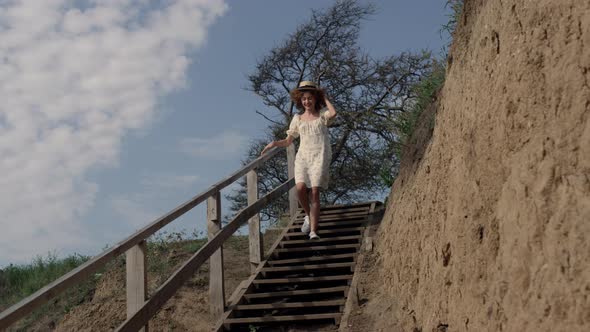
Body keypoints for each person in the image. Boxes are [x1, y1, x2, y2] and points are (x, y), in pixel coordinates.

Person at [261, 81, 337, 240]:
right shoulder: (298, 118)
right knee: (300, 189)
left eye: (310, 98)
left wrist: (325, 97)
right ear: (300, 101)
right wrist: (274, 143)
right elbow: (289, 141)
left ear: (315, 98)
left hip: (319, 156)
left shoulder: (322, 115)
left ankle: (313, 232)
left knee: (315, 192)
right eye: (304, 99)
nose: (307, 102)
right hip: (303, 157)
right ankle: (309, 216)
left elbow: (334, 113)